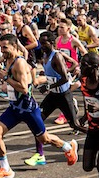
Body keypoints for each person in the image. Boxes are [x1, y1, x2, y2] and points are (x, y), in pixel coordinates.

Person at [0, 34, 78, 178]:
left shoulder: (20, 63)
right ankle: (5, 169)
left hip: (28, 109)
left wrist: (5, 78)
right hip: (14, 108)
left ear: (14, 46)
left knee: (45, 139)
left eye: (4, 47)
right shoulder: (7, 58)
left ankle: (68, 147)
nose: (1, 50)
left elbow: (24, 89)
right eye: (0, 47)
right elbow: (4, 68)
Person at [25, 31, 90, 167]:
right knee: (38, 121)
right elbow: (71, 63)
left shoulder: (57, 56)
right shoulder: (45, 55)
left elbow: (65, 78)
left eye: (44, 43)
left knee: (75, 125)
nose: (41, 45)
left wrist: (49, 85)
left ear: (52, 43)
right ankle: (40, 155)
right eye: (40, 43)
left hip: (63, 95)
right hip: (53, 96)